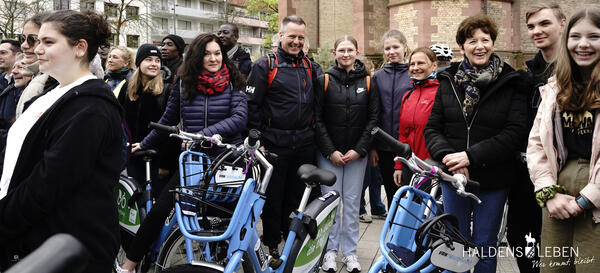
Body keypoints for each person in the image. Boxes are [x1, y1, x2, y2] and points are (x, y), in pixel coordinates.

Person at [0, 10, 123, 273]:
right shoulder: (51, 94)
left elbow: (49, 182)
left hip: (67, 247)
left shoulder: (92, 107)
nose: (37, 49)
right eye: (37, 41)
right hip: (35, 238)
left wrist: (4, 220)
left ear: (80, 47)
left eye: (48, 42)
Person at [116, 33, 247, 273]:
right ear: (197, 56)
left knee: (226, 219)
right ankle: (128, 265)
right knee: (159, 210)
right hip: (194, 162)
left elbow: (239, 119)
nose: (213, 58)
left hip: (226, 161)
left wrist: (204, 135)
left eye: (217, 53)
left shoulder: (234, 82)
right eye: (207, 53)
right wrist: (143, 143)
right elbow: (169, 119)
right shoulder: (183, 83)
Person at [424, 14, 528, 273]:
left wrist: (470, 156)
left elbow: (514, 133)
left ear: (493, 43)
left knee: (484, 245)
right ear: (462, 47)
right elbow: (433, 128)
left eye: (485, 39)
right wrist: (453, 159)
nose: (479, 46)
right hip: (453, 178)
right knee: (455, 243)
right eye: (472, 41)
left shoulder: (510, 81)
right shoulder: (448, 80)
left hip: (492, 179)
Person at [527, 6, 600, 273]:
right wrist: (547, 192)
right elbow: (537, 144)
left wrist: (586, 198)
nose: (583, 44)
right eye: (576, 36)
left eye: (594, 36)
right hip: (557, 191)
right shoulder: (556, 87)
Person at [246, 15, 319, 258]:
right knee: (273, 197)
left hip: (304, 143)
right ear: (281, 36)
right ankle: (273, 242)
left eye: (301, 37)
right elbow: (252, 105)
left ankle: (292, 241)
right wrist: (259, 141)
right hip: (275, 143)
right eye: (292, 36)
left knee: (298, 197)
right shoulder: (264, 64)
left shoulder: (309, 65)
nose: (297, 41)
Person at [506, 4, 566, 273]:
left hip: (561, 171)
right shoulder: (529, 74)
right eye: (531, 26)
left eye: (544, 24)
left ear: (562, 24)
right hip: (525, 171)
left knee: (556, 241)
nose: (537, 31)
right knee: (518, 234)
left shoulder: (575, 69)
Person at [316, 35, 379, 273]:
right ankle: (330, 251)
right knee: (331, 203)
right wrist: (330, 150)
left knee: (352, 205)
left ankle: (350, 252)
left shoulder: (368, 82)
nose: (345, 54)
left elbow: (373, 119)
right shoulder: (323, 80)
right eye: (341, 49)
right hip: (328, 155)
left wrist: (359, 149)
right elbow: (317, 119)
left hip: (356, 156)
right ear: (334, 52)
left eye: (349, 50)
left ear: (357, 51)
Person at [118, 44, 169, 197]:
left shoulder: (167, 89)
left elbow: (169, 129)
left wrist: (166, 163)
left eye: (157, 60)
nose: (154, 64)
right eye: (148, 59)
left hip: (156, 159)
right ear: (139, 62)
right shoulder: (128, 87)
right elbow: (119, 120)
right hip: (132, 156)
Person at [371, 29, 412, 208]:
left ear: (405, 47)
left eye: (395, 47)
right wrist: (373, 147)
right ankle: (393, 230)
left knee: (410, 193)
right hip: (385, 146)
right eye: (387, 48)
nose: (392, 51)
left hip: (410, 145)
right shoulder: (378, 77)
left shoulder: (414, 73)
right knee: (391, 191)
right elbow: (373, 113)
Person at [393, 47, 439, 186]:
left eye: (421, 63)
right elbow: (403, 135)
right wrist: (399, 166)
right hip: (410, 166)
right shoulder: (408, 96)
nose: (416, 67)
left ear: (434, 65)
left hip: (432, 167)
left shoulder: (441, 93)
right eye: (412, 64)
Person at [15, 12, 59, 120]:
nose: (23, 46)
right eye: (23, 39)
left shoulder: (44, 83)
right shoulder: (37, 77)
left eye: (32, 40)